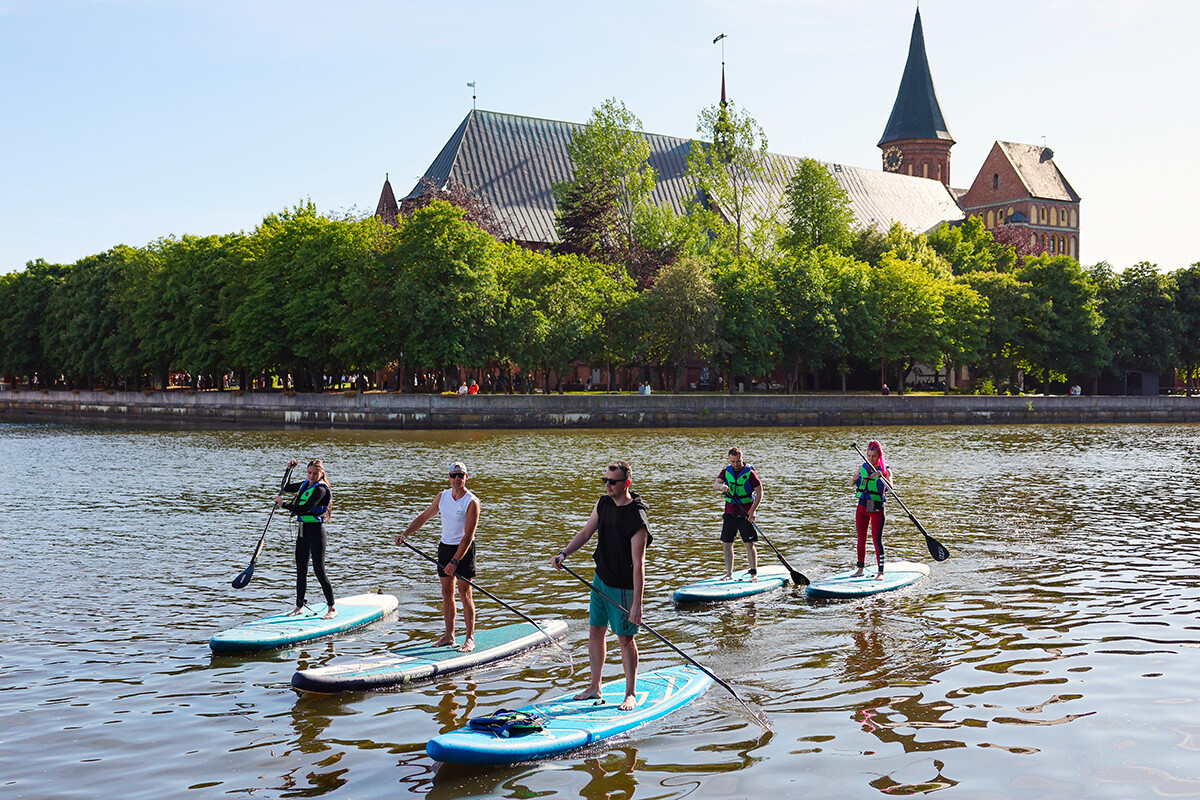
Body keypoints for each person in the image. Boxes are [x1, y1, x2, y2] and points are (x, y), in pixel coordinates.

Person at [551, 461, 651, 711]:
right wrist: (564, 553)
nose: (607, 485)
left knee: (625, 639)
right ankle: (596, 685)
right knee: (596, 632)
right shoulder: (602, 503)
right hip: (600, 580)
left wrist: (637, 605)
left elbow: (639, 564)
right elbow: (586, 533)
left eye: (612, 482)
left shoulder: (637, 518)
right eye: (604, 481)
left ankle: (631, 693)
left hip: (624, 587)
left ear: (626, 483)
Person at [395, 461, 480, 652]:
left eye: (461, 475)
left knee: (465, 593)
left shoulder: (472, 502)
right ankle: (449, 636)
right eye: (453, 475)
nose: (457, 478)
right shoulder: (442, 497)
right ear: (449, 478)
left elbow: (468, 536)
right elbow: (424, 517)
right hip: (445, 548)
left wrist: (455, 561)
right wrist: (405, 534)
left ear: (466, 477)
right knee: (446, 592)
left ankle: (469, 638)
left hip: (463, 551)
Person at [275, 459, 336, 619]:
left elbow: (305, 508)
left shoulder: (321, 489)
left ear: (321, 473)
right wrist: (288, 470)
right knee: (301, 570)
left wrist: (284, 505)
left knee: (319, 571)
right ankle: (299, 606)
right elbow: (286, 487)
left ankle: (332, 608)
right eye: (309, 473)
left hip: (316, 533)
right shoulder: (305, 484)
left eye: (315, 474)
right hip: (302, 532)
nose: (312, 476)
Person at [712, 447, 762, 580]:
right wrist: (721, 487)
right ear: (730, 460)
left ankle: (754, 573)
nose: (735, 464)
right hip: (729, 513)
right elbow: (715, 485)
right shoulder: (726, 471)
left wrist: (753, 511)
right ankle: (729, 574)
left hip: (745, 513)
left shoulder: (750, 473)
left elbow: (759, 492)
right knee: (727, 544)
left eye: (738, 461)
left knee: (748, 544)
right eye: (733, 462)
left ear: (742, 459)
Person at [852, 440, 893, 580]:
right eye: (869, 455)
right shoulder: (862, 467)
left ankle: (881, 572)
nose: (870, 459)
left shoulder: (885, 470)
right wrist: (854, 478)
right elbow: (851, 483)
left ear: (879, 456)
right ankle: (860, 569)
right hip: (862, 506)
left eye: (874, 456)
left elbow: (891, 488)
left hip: (876, 509)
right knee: (861, 539)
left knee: (877, 540)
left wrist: (883, 478)